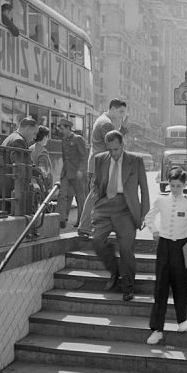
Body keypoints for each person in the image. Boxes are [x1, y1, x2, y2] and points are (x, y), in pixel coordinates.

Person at [90, 130, 149, 301]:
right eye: (110, 150)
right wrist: (95, 192)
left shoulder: (136, 161)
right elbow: (96, 183)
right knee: (96, 241)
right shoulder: (100, 159)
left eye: (116, 149)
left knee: (126, 249)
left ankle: (128, 287)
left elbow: (144, 189)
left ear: (123, 145)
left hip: (126, 208)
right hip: (104, 206)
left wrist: (145, 214)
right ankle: (114, 271)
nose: (113, 154)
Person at [144, 167, 187, 345]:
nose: (175, 189)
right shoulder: (161, 200)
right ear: (168, 184)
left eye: (179, 186)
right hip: (164, 245)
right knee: (160, 287)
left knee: (182, 285)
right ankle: (157, 329)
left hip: (182, 246)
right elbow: (148, 218)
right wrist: (154, 231)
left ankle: (182, 321)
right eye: (172, 185)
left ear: (185, 185)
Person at [78, 99, 129, 237]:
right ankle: (84, 227)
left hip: (100, 164)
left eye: (123, 112)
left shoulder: (103, 120)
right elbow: (115, 143)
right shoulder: (106, 123)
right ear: (112, 108)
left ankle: (99, 227)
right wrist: (123, 129)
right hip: (100, 166)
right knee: (95, 196)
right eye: (120, 112)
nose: (122, 115)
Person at [58, 117, 88, 229]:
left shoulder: (78, 139)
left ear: (68, 128)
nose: (61, 131)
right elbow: (64, 157)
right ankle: (61, 219)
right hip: (66, 173)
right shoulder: (64, 140)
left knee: (80, 198)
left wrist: (81, 170)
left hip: (77, 174)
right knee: (62, 195)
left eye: (62, 129)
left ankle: (81, 221)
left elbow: (84, 156)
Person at [29, 125, 53, 192]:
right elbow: (42, 170)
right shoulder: (43, 151)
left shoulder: (30, 148)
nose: (48, 139)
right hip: (41, 187)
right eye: (47, 136)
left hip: (31, 184)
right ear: (45, 136)